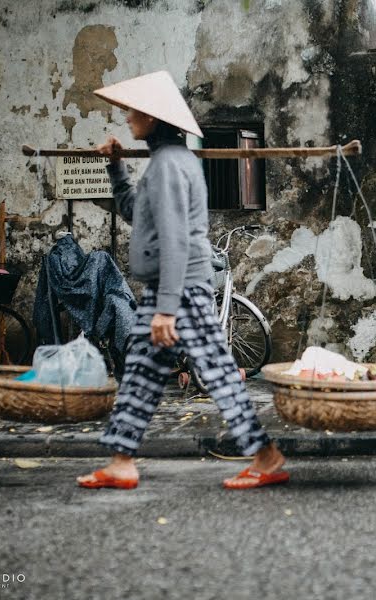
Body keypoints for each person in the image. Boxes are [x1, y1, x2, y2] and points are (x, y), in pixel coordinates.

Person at [75, 71, 288, 490]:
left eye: (135, 111)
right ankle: (121, 460)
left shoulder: (171, 165)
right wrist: (116, 168)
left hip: (182, 290)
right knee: (139, 371)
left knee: (218, 373)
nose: (129, 118)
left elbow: (174, 240)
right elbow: (137, 214)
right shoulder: (165, 163)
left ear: (153, 118)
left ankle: (265, 456)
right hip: (169, 289)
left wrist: (167, 308)